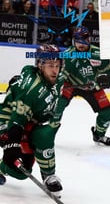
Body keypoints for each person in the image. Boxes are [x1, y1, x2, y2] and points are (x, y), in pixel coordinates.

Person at [0, 44, 64, 197]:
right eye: (50, 65)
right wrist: (11, 144)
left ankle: (48, 176)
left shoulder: (57, 77)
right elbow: (17, 119)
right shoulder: (32, 90)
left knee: (24, 169)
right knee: (43, 136)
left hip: (30, 122)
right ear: (40, 65)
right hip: (8, 121)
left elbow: (26, 70)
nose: (55, 70)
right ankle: (47, 175)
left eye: (57, 65)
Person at [55, 25, 110, 146]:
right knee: (57, 107)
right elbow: (62, 75)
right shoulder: (69, 55)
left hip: (91, 86)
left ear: (89, 40)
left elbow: (109, 70)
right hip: (71, 84)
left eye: (83, 40)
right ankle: (48, 134)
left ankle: (99, 135)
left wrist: (107, 77)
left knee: (107, 113)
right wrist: (57, 85)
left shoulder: (98, 54)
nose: (80, 44)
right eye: (77, 40)